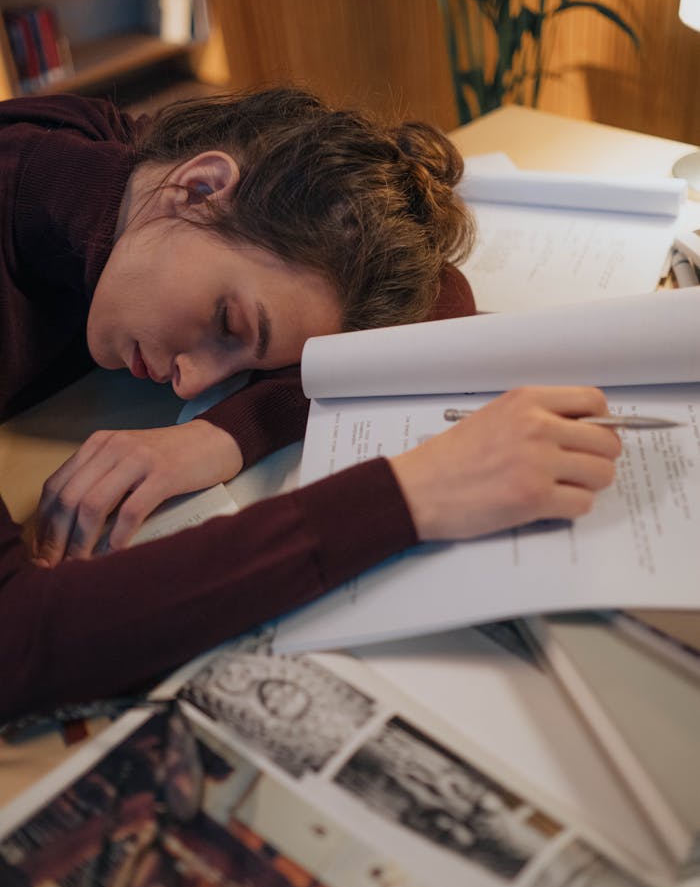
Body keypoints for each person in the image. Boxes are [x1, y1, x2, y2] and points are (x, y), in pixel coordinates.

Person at [0, 89, 620, 725]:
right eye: (229, 322)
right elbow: (18, 647)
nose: (191, 386)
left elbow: (440, 293)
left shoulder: (136, 163)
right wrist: (412, 495)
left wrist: (223, 436)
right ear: (198, 187)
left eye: (247, 357)